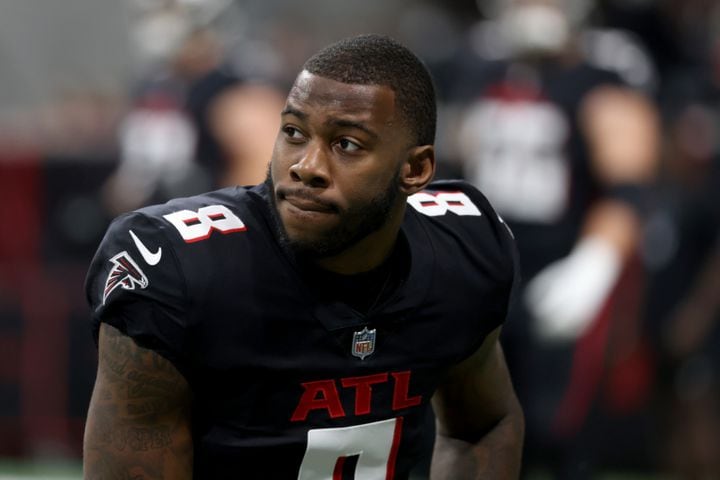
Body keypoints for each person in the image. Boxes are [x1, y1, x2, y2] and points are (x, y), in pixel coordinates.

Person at [82, 34, 524, 479]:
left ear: (414, 170)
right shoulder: (175, 266)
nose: (306, 166)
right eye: (293, 132)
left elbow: (483, 427)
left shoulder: (462, 249)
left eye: (346, 144)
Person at [436, 0, 660, 476]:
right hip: (484, 269)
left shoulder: (601, 74)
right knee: (469, 422)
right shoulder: (476, 66)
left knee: (552, 430)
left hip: (558, 268)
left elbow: (631, 186)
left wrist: (594, 262)